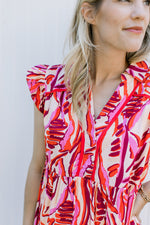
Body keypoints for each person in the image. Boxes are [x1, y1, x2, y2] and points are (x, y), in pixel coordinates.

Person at [23, 0, 150, 224]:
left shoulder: (146, 91)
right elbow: (38, 166)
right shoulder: (50, 86)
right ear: (89, 12)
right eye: (125, 0)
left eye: (147, 2)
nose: (141, 13)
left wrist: (143, 196)